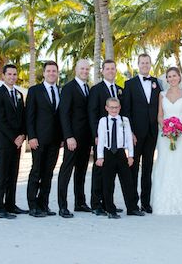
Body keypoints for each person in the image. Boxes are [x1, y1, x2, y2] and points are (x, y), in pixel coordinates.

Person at [151, 67, 182, 215]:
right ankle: (162, 202)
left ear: (180, 77)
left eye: (174, 76)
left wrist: (180, 130)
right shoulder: (162, 95)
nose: (172, 78)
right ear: (166, 79)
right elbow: (160, 115)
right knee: (164, 163)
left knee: (181, 162)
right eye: (169, 76)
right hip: (165, 135)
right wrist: (166, 129)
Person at [121, 53, 161, 214]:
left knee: (148, 168)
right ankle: (132, 205)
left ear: (150, 64)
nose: (145, 65)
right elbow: (125, 111)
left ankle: (146, 203)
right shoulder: (129, 84)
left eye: (147, 62)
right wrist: (129, 132)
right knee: (133, 169)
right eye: (142, 62)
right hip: (135, 134)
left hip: (152, 132)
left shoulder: (157, 83)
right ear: (138, 64)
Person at [95, 98, 145, 219]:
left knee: (128, 182)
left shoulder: (124, 120)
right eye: (111, 107)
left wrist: (130, 156)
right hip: (108, 154)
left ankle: (132, 207)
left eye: (116, 107)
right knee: (108, 183)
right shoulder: (103, 121)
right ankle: (110, 209)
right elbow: (100, 140)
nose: (114, 110)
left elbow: (128, 139)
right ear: (106, 108)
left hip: (121, 153)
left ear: (120, 107)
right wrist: (100, 157)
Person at [57, 59, 93, 218]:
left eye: (87, 69)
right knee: (66, 171)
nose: (85, 71)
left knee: (81, 171)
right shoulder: (68, 88)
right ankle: (62, 206)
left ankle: (80, 202)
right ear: (76, 69)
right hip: (73, 138)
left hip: (86, 138)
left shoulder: (88, 88)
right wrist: (68, 136)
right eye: (82, 69)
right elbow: (63, 114)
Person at [26, 61, 62, 217]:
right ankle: (32, 205)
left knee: (48, 173)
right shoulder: (34, 91)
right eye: (49, 71)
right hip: (38, 139)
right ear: (44, 73)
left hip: (55, 140)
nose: (52, 73)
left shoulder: (61, 91)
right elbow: (29, 116)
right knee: (36, 172)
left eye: (54, 71)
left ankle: (44, 204)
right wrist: (31, 136)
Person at [88, 59, 124, 216]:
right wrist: (96, 135)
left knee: (111, 172)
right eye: (107, 68)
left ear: (116, 71)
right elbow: (92, 113)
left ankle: (109, 203)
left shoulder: (119, 89)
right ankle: (96, 204)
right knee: (99, 170)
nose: (110, 71)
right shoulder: (96, 89)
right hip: (102, 139)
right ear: (102, 71)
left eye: (113, 68)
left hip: (117, 141)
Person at [0, 64, 27, 219]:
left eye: (14, 74)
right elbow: (0, 119)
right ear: (3, 76)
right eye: (9, 74)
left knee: (13, 174)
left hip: (17, 142)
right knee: (1, 175)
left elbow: (23, 117)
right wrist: (14, 137)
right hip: (4, 142)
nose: (12, 77)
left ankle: (10, 204)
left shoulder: (19, 94)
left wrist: (23, 135)